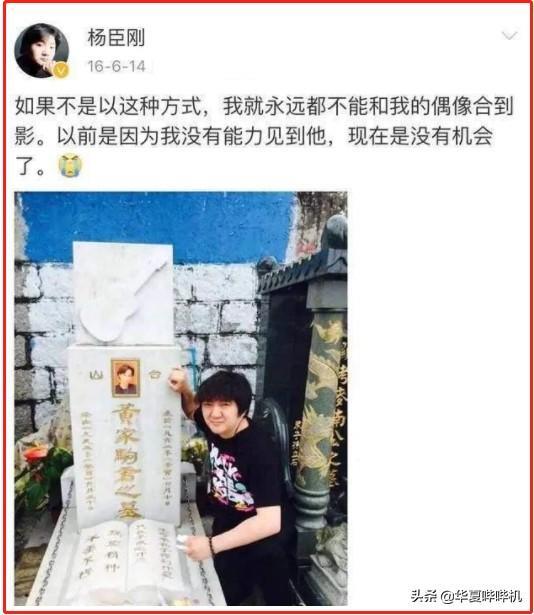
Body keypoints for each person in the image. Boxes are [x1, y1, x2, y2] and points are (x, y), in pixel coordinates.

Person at [168, 368, 293, 606]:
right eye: (209, 404)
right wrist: (184, 388)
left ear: (242, 410)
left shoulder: (259, 450)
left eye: (225, 405)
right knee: (226, 593)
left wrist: (211, 545)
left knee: (274, 595)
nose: (214, 413)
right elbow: (192, 409)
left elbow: (269, 522)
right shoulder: (216, 424)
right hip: (228, 522)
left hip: (263, 535)